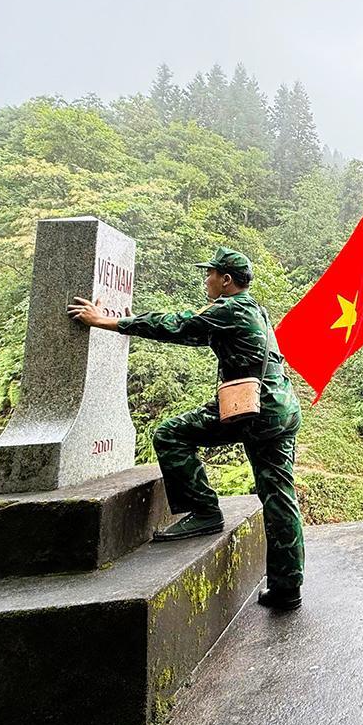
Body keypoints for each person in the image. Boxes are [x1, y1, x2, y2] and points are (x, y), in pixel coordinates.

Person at [67, 247, 304, 611]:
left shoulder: (230, 308)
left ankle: (205, 512)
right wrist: (135, 322)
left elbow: (179, 324)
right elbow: (195, 332)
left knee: (170, 434)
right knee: (279, 495)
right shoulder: (254, 309)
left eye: (210, 274)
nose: (206, 279)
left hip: (256, 409)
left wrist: (108, 322)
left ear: (226, 280)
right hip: (280, 406)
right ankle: (287, 588)